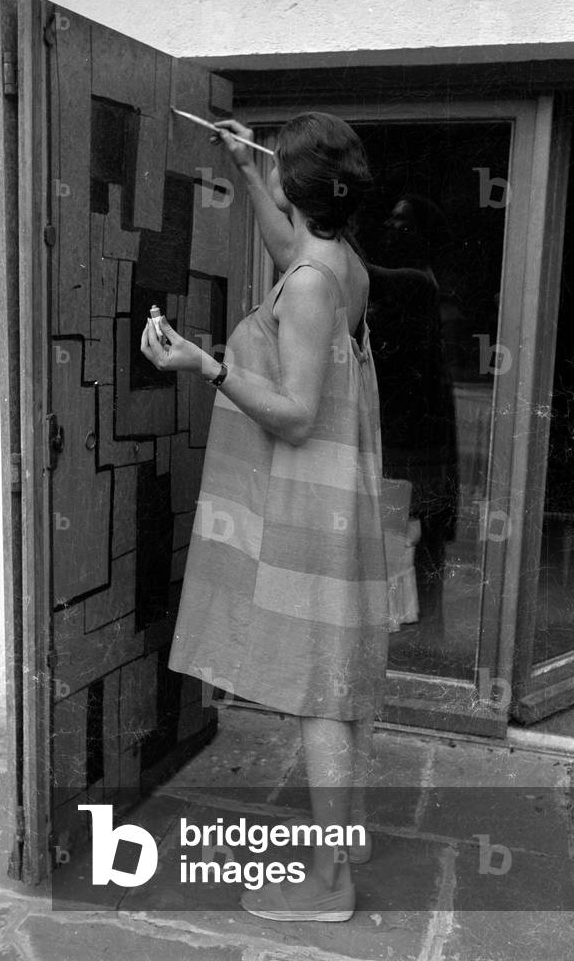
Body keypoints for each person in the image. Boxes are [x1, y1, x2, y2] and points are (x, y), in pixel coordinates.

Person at [141, 112, 390, 923]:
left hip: (309, 503)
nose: (268, 170)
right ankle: (338, 845)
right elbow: (293, 255)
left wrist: (204, 363)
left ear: (302, 187)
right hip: (335, 496)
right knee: (335, 684)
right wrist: (249, 168)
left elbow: (292, 413)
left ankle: (328, 886)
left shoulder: (317, 282)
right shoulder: (334, 260)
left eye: (276, 164)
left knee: (321, 689)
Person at [360, 196, 459, 641]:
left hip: (415, 432)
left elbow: (370, 276)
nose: (391, 227)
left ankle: (426, 631)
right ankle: (416, 627)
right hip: (411, 425)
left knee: (416, 529)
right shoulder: (415, 283)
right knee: (407, 529)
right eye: (390, 218)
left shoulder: (418, 282)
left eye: (403, 222)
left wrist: (329, 223)